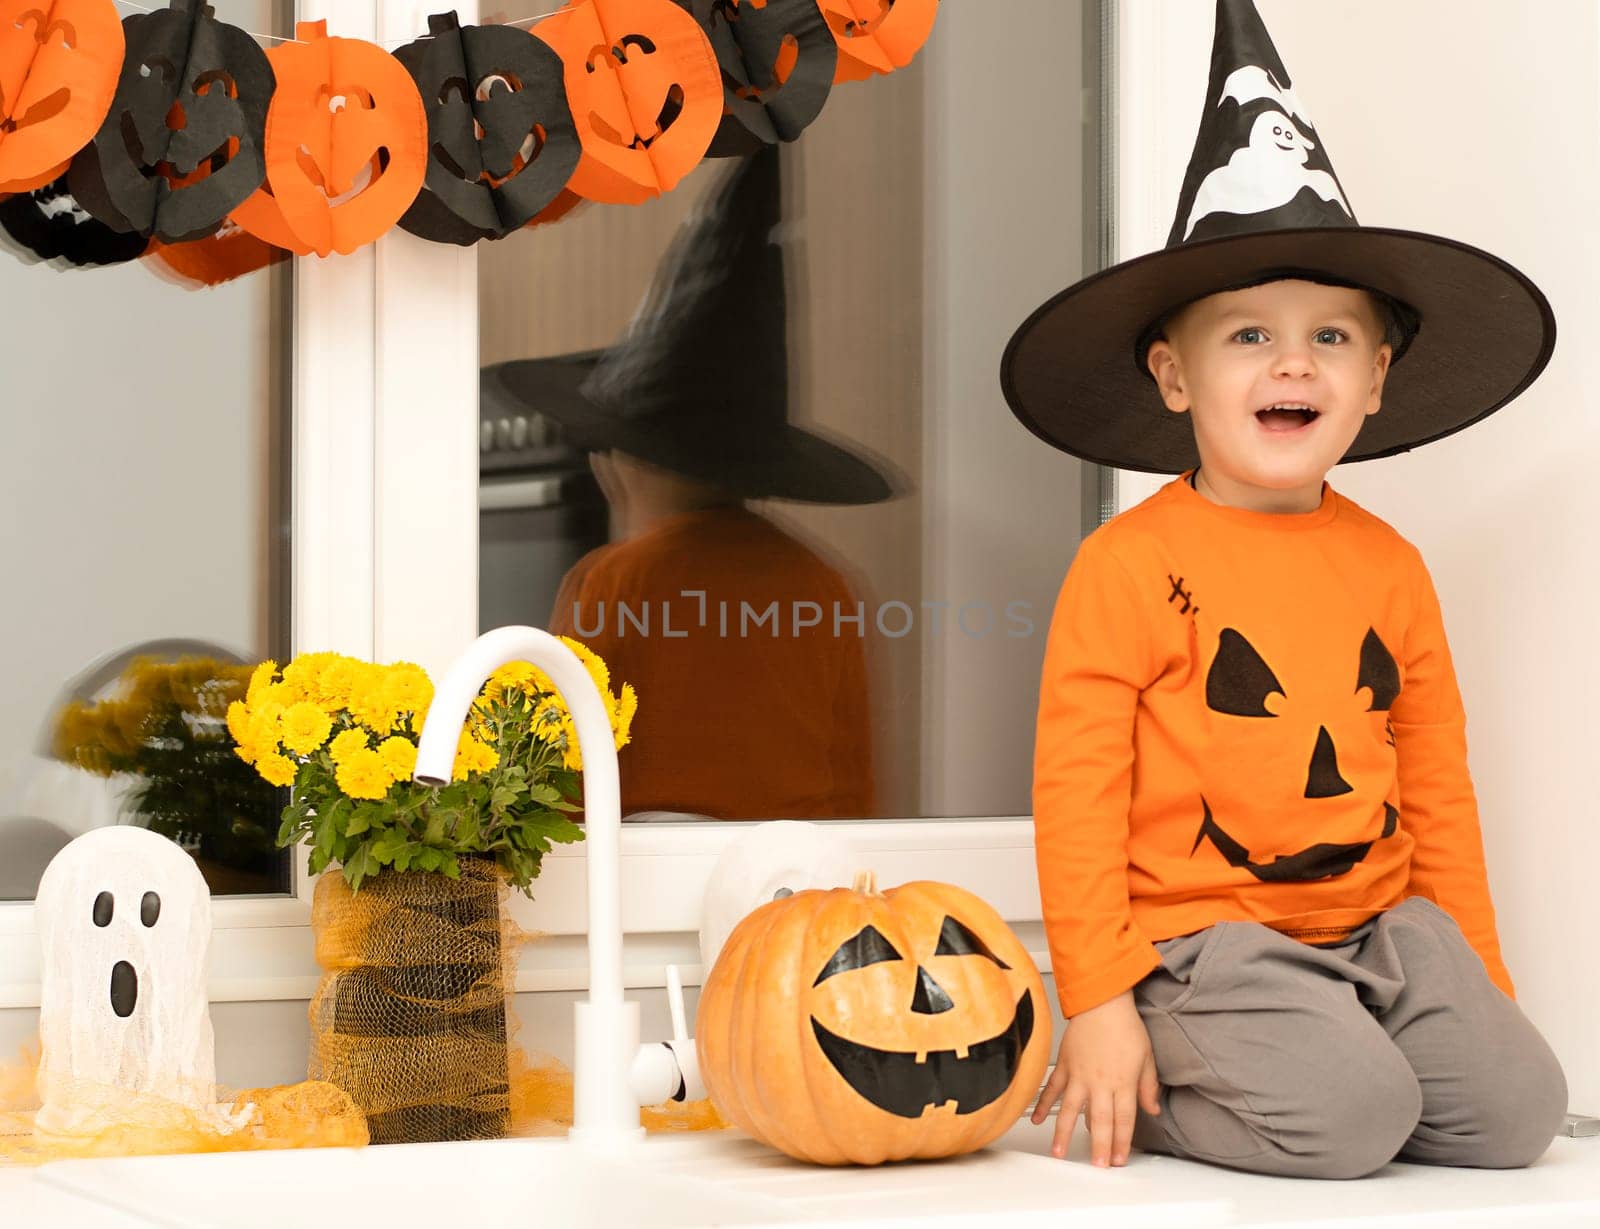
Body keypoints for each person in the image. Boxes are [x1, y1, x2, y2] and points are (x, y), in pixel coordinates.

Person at [999, 0, 1568, 1179]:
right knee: (1353, 1124)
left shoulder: (1389, 565)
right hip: (1209, 939)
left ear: (1375, 380)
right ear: (1173, 375)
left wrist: (1478, 982)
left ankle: (1335, 1057)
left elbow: (1435, 791)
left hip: (1384, 930)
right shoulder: (1128, 564)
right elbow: (1077, 794)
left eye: (1331, 337)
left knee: (1517, 1112)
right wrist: (1097, 991)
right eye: (1248, 334)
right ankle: (1150, 1073)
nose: (1293, 360)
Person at [485, 147, 898, 820]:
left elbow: (555, 781)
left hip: (641, 897)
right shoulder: (828, 587)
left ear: (622, 463)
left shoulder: (614, 581)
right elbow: (857, 791)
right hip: (792, 890)